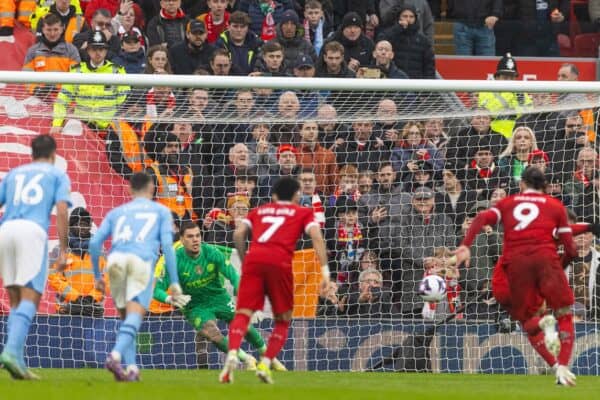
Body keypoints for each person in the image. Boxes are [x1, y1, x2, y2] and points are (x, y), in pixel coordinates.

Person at [455, 167, 578, 386]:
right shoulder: (556, 206)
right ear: (546, 186)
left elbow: (482, 216)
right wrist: (560, 265)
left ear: (522, 184)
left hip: (516, 266)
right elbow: (571, 249)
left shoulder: (509, 202)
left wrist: (466, 245)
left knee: (528, 321)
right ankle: (563, 367)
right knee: (564, 314)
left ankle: (550, 354)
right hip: (546, 261)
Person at [219, 176, 329, 384]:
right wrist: (325, 273)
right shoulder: (303, 212)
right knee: (283, 319)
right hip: (280, 264)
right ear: (297, 195)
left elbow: (238, 233)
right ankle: (265, 363)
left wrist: (245, 261)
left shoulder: (259, 210)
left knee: (242, 313)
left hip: (254, 262)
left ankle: (232, 354)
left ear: (274, 195)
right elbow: (317, 237)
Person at [89, 172, 185, 382]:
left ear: (130, 189)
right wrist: (175, 281)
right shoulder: (161, 211)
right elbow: (168, 247)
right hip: (141, 262)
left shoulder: (117, 212)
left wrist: (97, 275)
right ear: (152, 188)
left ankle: (132, 368)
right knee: (136, 315)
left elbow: (95, 243)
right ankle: (115, 356)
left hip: (115, 262)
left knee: (127, 319)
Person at [154, 221, 287, 371]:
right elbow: (156, 290)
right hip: (195, 305)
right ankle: (247, 358)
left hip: (219, 298)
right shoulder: (174, 260)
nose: (195, 239)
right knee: (211, 333)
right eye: (190, 237)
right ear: (182, 240)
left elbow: (234, 276)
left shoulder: (212, 252)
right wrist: (169, 299)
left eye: (198, 235)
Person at [0, 135, 70, 379]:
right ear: (53, 155)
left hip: (5, 230)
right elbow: (61, 210)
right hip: (32, 232)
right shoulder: (57, 174)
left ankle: (17, 364)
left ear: (31, 153)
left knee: (16, 301)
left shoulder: (14, 173)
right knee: (31, 297)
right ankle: (9, 352)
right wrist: (63, 250)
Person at [50, 30, 130, 134]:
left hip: (109, 130)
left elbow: (124, 103)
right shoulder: (77, 71)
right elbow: (62, 100)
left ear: (106, 51)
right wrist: (57, 124)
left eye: (101, 49)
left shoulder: (117, 71)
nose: (98, 53)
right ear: (88, 50)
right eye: (94, 49)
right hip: (82, 128)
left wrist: (114, 125)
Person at [48, 207, 105, 317]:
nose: (83, 227)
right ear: (72, 226)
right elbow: (53, 277)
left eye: (86, 224)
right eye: (80, 224)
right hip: (67, 308)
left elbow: (106, 277)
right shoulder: (60, 249)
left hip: (92, 308)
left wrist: (91, 298)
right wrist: (75, 297)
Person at [22, 13, 80, 98]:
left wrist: (59, 90)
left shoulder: (71, 50)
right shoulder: (33, 51)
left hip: (64, 98)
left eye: (56, 29)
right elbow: (26, 76)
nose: (52, 34)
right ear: (43, 30)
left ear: (62, 29)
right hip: (38, 99)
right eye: (49, 30)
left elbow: (76, 77)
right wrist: (36, 89)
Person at [377, 5, 435, 79]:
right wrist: (397, 28)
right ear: (399, 17)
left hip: (416, 83)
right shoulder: (392, 33)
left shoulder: (423, 40)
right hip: (395, 80)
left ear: (415, 19)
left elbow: (429, 66)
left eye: (411, 17)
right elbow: (380, 41)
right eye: (405, 16)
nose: (408, 19)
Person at [215, 10, 262, 75]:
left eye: (242, 27)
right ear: (228, 27)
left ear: (247, 28)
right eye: (235, 26)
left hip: (252, 83)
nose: (239, 30)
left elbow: (263, 67)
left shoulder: (257, 43)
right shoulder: (219, 44)